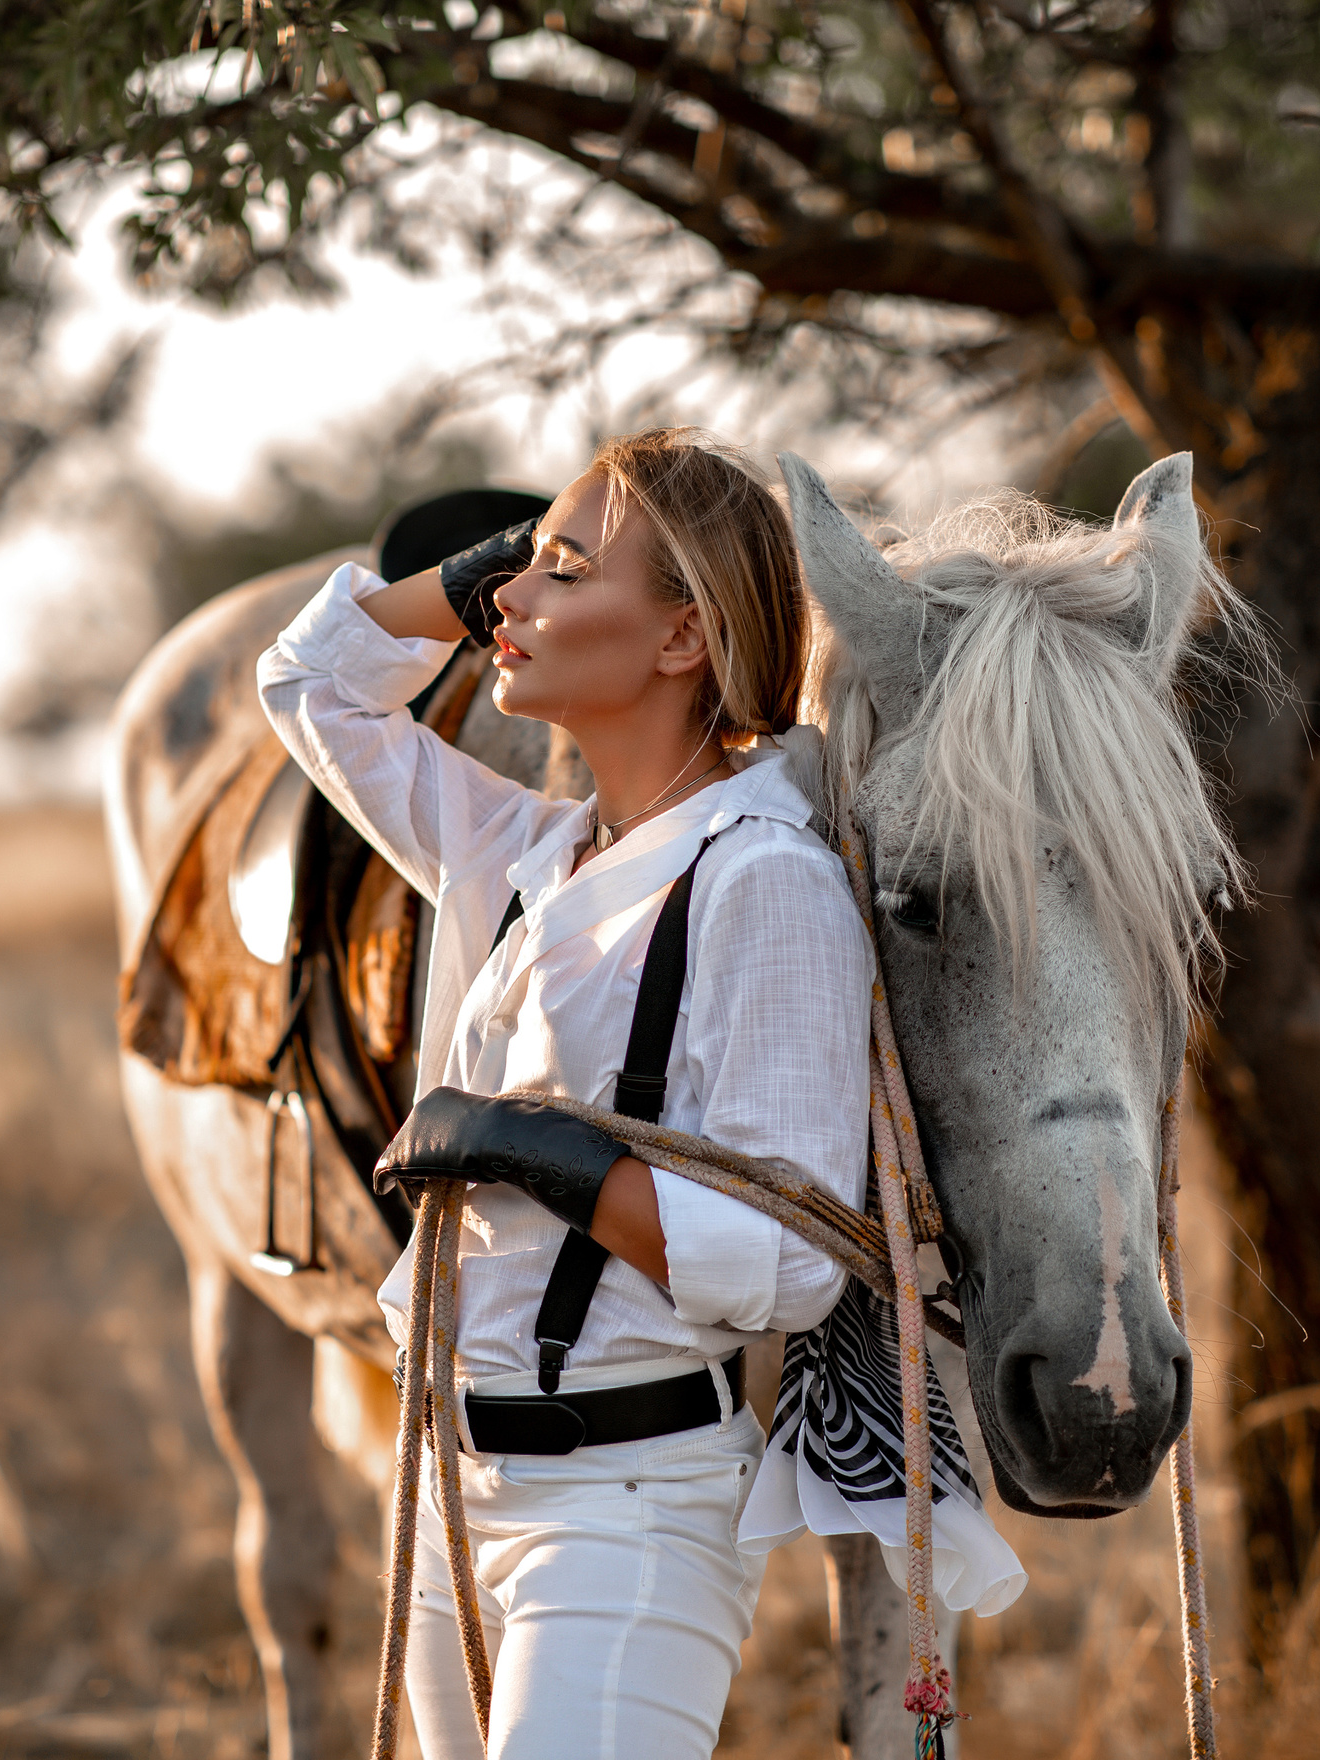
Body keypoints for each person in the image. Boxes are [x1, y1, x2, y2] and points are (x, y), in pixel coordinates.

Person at [256, 428, 872, 1759]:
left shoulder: (764, 877)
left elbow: (794, 1260)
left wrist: (555, 1161)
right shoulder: (520, 852)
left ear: (680, 639)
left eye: (562, 572)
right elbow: (311, 683)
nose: (510, 609)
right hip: (446, 1487)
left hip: (628, 1504)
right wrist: (480, 573)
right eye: (515, 572)